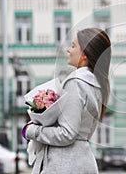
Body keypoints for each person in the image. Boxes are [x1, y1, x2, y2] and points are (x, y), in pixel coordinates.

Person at [22, 28, 111, 174]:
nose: (69, 50)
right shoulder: (97, 84)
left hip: (64, 163)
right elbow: (77, 131)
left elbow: (67, 133)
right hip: (84, 161)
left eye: (74, 46)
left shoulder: (76, 82)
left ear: (84, 55)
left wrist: (32, 130)